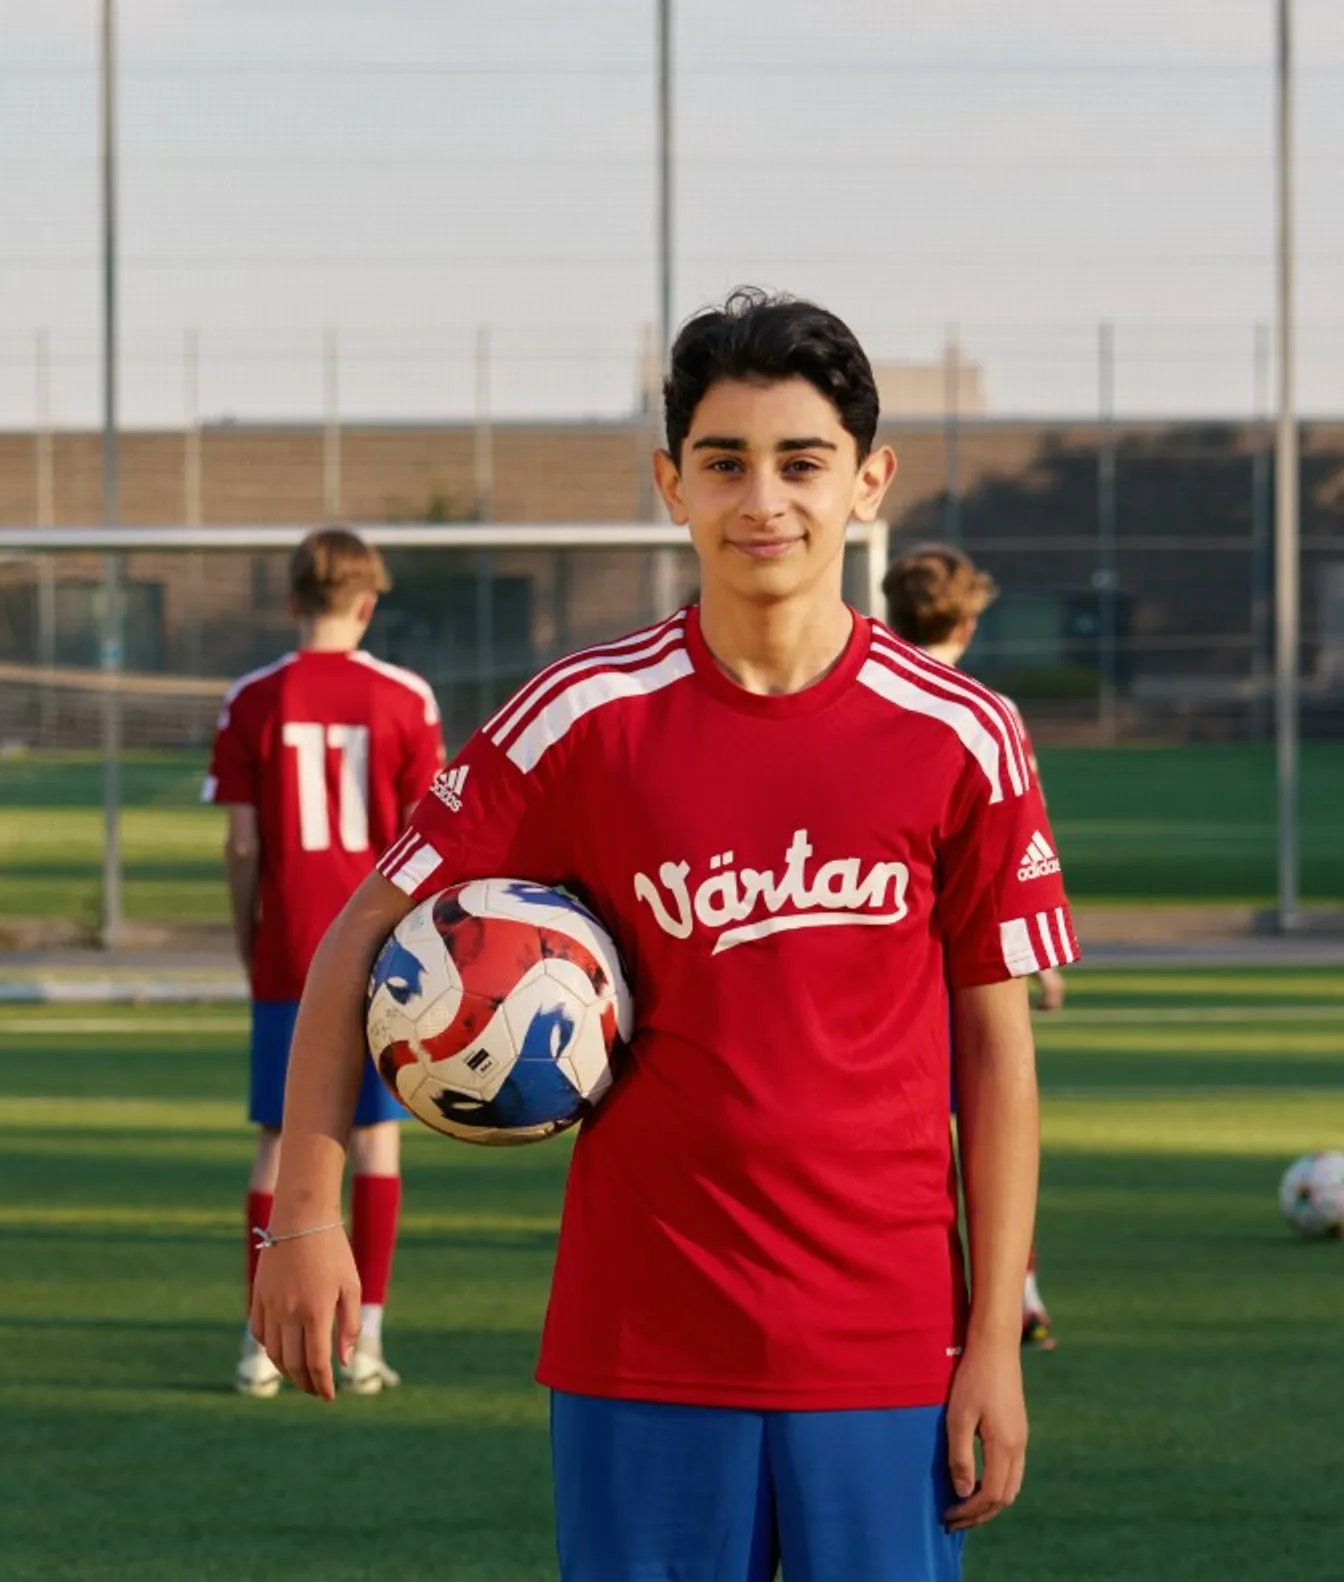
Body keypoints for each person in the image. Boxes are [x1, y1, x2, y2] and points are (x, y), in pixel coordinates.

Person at [255, 289, 1069, 1578]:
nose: (765, 500)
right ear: (669, 484)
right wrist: (306, 1216)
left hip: (887, 1346)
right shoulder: (585, 716)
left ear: (869, 483)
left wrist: (988, 1346)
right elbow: (361, 933)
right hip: (645, 1342)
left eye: (803, 463)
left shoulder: (963, 732)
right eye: (725, 462)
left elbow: (995, 1053)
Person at [203, 529, 444, 1398]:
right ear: (369, 603)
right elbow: (430, 842)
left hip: (290, 949)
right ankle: (365, 1335)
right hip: (386, 959)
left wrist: (250, 939)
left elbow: (241, 844)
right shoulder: (406, 698)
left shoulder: (253, 698)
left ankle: (259, 1341)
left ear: (291, 602)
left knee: (279, 1140)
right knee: (376, 1138)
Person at [880, 543, 1060, 1353]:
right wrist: (1040, 961)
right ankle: (1013, 1288)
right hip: (964, 977)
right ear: (974, 617)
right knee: (989, 1125)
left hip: (885, 982)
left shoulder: (862, 699)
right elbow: (1015, 859)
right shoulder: (986, 712)